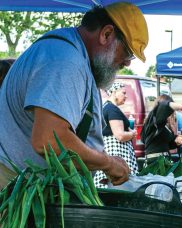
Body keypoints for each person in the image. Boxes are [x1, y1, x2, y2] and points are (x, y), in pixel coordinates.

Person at [0, 2, 149, 190]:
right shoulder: (65, 61)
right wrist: (107, 163)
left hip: (30, 187)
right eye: (127, 52)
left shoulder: (75, 56)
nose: (127, 62)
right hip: (13, 189)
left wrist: (96, 160)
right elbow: (49, 140)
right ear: (106, 34)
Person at [93, 82, 138, 188]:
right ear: (114, 92)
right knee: (120, 185)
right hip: (117, 151)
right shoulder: (112, 109)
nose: (126, 96)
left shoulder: (107, 107)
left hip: (111, 151)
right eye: (124, 93)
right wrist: (132, 133)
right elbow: (120, 135)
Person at [140, 95, 182, 164]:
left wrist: (177, 140)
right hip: (155, 162)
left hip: (164, 161)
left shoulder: (162, 125)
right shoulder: (153, 119)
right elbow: (163, 106)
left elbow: (167, 144)